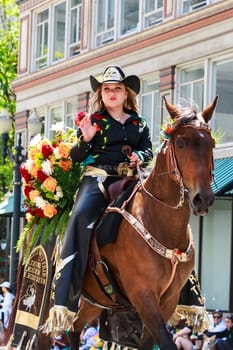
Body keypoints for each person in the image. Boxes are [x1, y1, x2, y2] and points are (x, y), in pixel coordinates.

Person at [47, 65, 153, 330]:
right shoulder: (93, 121)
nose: (112, 93)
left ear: (126, 93)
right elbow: (75, 158)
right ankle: (66, 297)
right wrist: (86, 140)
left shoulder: (139, 124)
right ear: (101, 94)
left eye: (117, 88)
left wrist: (140, 156)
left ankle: (184, 294)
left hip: (130, 179)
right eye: (107, 89)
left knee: (160, 213)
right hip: (97, 179)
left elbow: (149, 150)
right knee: (81, 215)